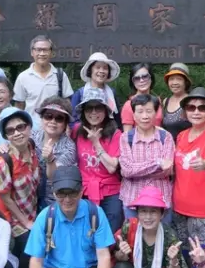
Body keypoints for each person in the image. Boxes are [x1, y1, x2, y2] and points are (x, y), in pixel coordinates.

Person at [25, 167, 114, 268]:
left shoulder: (95, 213)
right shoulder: (45, 217)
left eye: (72, 193)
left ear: (81, 191)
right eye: (61, 193)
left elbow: (103, 255)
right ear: (54, 193)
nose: (67, 199)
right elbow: (36, 260)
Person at [172, 87, 205, 268]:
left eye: (202, 107)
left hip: (203, 209)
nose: (196, 111)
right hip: (179, 206)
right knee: (185, 252)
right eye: (191, 107)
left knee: (203, 256)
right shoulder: (181, 136)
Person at [0, 109, 40, 268]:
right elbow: (5, 196)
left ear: (29, 127)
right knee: (29, 247)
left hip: (32, 210)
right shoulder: (4, 161)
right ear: (6, 136)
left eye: (21, 127)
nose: (17, 132)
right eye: (11, 130)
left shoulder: (33, 147)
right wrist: (25, 222)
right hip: (12, 216)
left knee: (24, 250)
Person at [111, 186, 183, 268]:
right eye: (143, 211)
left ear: (162, 214)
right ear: (137, 213)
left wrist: (173, 261)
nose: (148, 217)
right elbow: (118, 257)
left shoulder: (170, 235)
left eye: (153, 212)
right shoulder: (129, 227)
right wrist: (122, 254)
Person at [72, 88, 124, 235]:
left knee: (110, 234)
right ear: (83, 111)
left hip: (110, 192)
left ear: (105, 111)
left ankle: (109, 258)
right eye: (89, 108)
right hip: (84, 192)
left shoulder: (115, 134)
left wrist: (96, 142)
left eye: (98, 108)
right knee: (86, 234)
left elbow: (112, 167)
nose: (93, 112)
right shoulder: (77, 131)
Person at [119, 94, 174, 223]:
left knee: (164, 239)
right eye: (140, 111)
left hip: (161, 200)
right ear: (133, 115)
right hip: (132, 200)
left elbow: (167, 169)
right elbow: (126, 171)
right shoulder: (126, 138)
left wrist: (136, 170)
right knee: (133, 239)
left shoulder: (165, 137)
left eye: (149, 111)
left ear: (156, 113)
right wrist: (158, 163)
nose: (145, 116)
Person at [13, 35, 74, 125]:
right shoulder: (23, 77)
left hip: (55, 126)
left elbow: (67, 103)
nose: (42, 53)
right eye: (38, 50)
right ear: (32, 52)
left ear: (51, 52)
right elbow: (19, 106)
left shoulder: (60, 75)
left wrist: (67, 125)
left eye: (45, 50)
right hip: (31, 128)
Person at [31, 97, 77, 210]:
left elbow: (54, 177)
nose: (53, 121)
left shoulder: (69, 147)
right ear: (42, 118)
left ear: (65, 124)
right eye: (48, 116)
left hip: (54, 201)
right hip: (29, 198)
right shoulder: (32, 136)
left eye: (59, 118)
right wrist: (5, 146)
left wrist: (50, 159)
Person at [70, 52, 123, 128]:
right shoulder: (80, 93)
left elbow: (117, 119)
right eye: (97, 67)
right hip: (84, 135)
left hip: (108, 135)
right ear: (90, 70)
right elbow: (72, 120)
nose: (101, 71)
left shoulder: (112, 93)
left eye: (105, 68)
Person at [121, 63, 163, 132]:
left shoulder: (158, 101)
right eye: (137, 78)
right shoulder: (129, 105)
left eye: (145, 76)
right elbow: (127, 136)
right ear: (133, 82)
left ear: (151, 78)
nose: (141, 80)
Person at [161, 63, 193, 142]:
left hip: (186, 147)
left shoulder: (191, 101)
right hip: (168, 148)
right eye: (171, 79)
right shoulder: (166, 101)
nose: (174, 83)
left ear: (186, 82)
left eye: (179, 79)